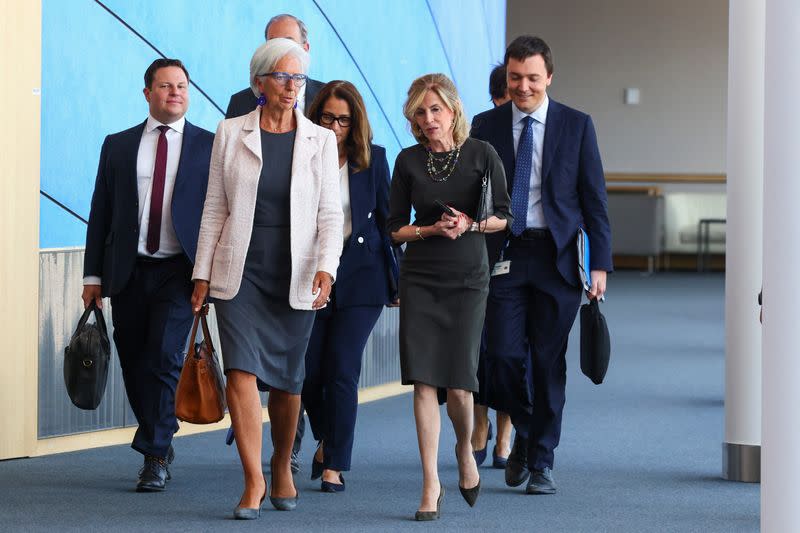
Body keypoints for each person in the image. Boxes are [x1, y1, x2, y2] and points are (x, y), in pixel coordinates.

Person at [191, 38, 342, 519]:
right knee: (241, 372)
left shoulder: (322, 139)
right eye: (282, 76)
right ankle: (253, 479)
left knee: (288, 382)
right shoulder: (230, 132)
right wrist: (201, 273)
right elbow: (215, 208)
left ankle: (281, 464)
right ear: (259, 82)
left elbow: (330, 216)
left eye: (298, 78)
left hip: (295, 272)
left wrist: (326, 266)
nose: (292, 86)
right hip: (241, 272)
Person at [471, 35, 613, 495]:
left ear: (548, 77)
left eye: (532, 78)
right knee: (504, 356)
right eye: (515, 78)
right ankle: (528, 437)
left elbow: (595, 201)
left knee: (549, 361)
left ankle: (541, 459)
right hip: (505, 255)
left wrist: (600, 266)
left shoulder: (576, 125)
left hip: (558, 258)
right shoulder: (485, 124)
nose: (523, 86)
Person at [82, 58, 214, 492]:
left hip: (180, 270)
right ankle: (157, 432)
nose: (174, 92)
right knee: (133, 358)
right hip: (128, 270)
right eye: (164, 86)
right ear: (147, 93)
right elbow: (100, 212)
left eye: (181, 86)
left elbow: (218, 215)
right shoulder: (117, 145)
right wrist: (92, 278)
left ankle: (155, 453)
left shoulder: (208, 145)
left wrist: (208, 274)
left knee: (163, 357)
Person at [387, 73, 512, 521]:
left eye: (435, 109)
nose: (428, 119)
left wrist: (471, 226)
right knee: (423, 381)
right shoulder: (407, 161)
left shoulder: (482, 154)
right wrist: (430, 229)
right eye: (420, 112)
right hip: (421, 275)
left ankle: (463, 448)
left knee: (460, 385)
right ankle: (429, 483)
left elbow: (503, 216)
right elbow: (394, 227)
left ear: (453, 110)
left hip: (467, 275)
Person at [301, 81, 400, 493]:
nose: (336, 126)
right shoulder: (300, 155)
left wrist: (397, 281)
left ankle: (335, 464)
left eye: (344, 119)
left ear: (355, 122)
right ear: (316, 118)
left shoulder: (373, 160)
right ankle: (326, 437)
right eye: (328, 118)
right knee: (307, 374)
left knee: (342, 368)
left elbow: (388, 223)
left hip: (362, 280)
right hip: (310, 276)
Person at [473, 61, 515, 470]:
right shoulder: (483, 126)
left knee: (509, 348)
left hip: (524, 250)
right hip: (485, 247)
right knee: (483, 342)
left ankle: (505, 429)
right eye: (504, 94)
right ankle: (480, 421)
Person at [226, 13, 325, 119]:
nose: (280, 50)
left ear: (305, 49)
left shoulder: (328, 97)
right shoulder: (240, 103)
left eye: (288, 42)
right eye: (273, 44)